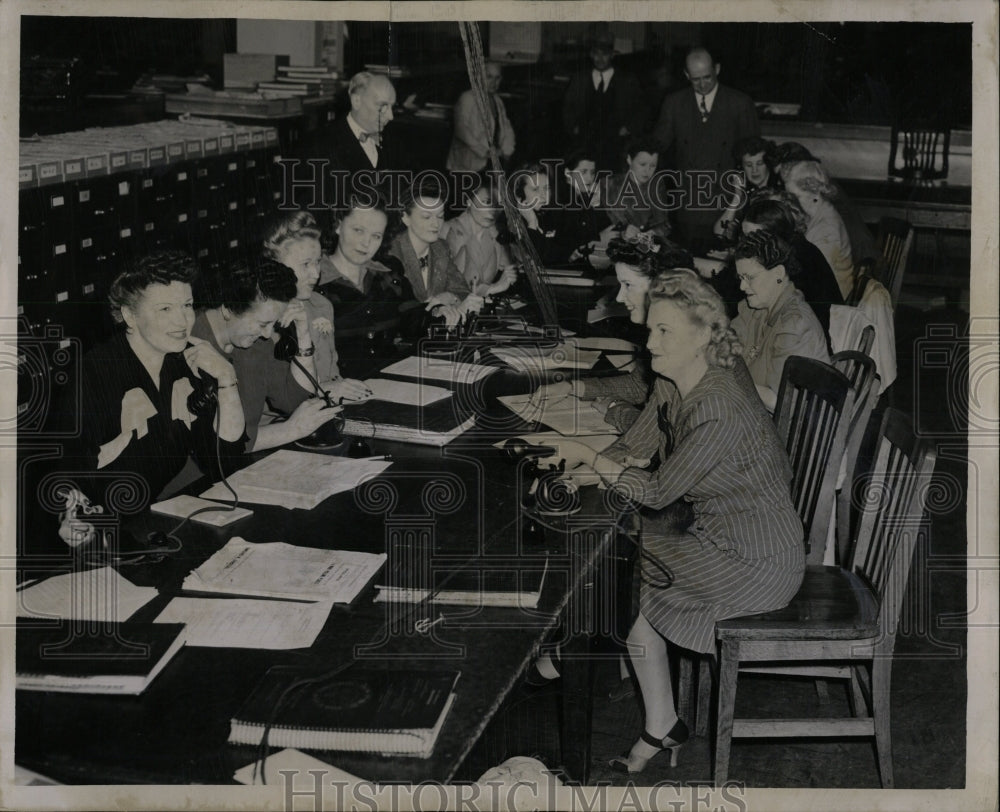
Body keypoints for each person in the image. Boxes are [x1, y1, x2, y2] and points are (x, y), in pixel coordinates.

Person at [540, 269, 805, 774]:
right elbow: (637, 446)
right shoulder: (672, 379)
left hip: (758, 561)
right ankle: (659, 720)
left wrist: (586, 455)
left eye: (664, 332)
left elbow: (660, 491)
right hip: (716, 536)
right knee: (622, 562)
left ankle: (567, 658)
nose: (649, 340)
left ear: (705, 336)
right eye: (651, 328)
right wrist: (582, 468)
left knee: (625, 567)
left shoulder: (719, 405)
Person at [47, 251, 247, 548]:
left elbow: (222, 462)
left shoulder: (183, 364)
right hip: (89, 538)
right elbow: (62, 473)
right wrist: (69, 516)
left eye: (188, 306)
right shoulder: (94, 374)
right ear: (130, 315)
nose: (183, 320)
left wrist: (227, 379)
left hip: (144, 527)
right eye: (165, 309)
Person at [532, 237, 696, 433]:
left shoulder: (681, 345)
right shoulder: (667, 331)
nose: (619, 297)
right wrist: (572, 387)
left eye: (628, 285)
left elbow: (661, 434)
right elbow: (639, 386)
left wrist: (614, 409)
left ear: (661, 287)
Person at [192, 258, 342, 452]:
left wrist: (303, 334)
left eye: (273, 324)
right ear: (228, 309)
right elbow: (218, 444)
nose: (267, 334)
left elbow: (294, 401)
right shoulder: (190, 343)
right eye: (263, 324)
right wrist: (291, 430)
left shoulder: (255, 342)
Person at [261, 210, 371, 402]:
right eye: (305, 264)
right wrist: (323, 389)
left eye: (318, 261)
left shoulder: (321, 305)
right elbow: (274, 396)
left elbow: (332, 374)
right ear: (275, 264)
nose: (315, 274)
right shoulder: (262, 317)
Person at [653, 47, 760, 244]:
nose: (702, 84)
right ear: (686, 75)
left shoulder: (740, 103)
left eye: (707, 77)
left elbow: (752, 155)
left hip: (726, 203)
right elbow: (657, 148)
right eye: (695, 79)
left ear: (717, 69)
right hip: (688, 204)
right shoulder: (674, 103)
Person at [316, 195, 421, 379]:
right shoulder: (315, 283)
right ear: (338, 225)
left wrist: (440, 311)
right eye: (358, 230)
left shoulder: (389, 277)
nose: (366, 243)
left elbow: (415, 326)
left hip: (392, 387)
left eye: (376, 236)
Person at [731, 230, 830, 411]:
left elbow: (781, 403)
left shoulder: (795, 325)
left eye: (750, 278)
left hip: (782, 431)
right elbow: (726, 346)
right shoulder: (754, 309)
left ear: (778, 273)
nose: (742, 286)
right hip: (752, 412)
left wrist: (728, 382)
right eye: (740, 278)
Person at [292, 71, 404, 206]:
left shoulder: (394, 140)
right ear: (357, 101)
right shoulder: (318, 145)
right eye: (382, 107)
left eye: (392, 107)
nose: (391, 116)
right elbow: (302, 209)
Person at [740, 192, 844, 337]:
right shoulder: (792, 245)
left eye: (754, 236)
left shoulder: (797, 256)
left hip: (812, 337)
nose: (747, 242)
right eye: (745, 236)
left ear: (774, 234)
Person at [386, 184, 483, 325]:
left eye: (440, 216)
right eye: (426, 217)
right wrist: (435, 309)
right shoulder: (391, 252)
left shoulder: (440, 247)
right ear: (405, 217)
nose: (436, 224)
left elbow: (462, 289)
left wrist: (449, 296)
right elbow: (398, 311)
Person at [561, 26, 645, 173]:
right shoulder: (580, 79)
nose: (600, 59)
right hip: (585, 144)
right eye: (596, 54)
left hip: (616, 146)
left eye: (605, 54)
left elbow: (641, 109)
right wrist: (573, 127)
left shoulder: (627, 81)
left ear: (612, 54)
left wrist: (629, 128)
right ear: (591, 55)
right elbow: (568, 107)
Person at [779, 159, 856, 299]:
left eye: (795, 197)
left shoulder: (827, 227)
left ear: (815, 194)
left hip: (832, 303)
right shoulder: (816, 214)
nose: (790, 203)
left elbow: (816, 279)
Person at [440, 181, 517, 297]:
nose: (493, 211)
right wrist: (492, 288)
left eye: (499, 205)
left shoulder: (496, 233)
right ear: (469, 202)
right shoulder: (446, 230)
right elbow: (448, 287)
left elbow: (512, 274)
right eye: (487, 202)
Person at [549, 145, 614, 264]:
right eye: (583, 172)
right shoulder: (561, 200)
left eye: (592, 172)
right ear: (568, 173)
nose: (590, 178)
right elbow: (569, 241)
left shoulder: (585, 198)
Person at [446, 61, 516, 172]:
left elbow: (506, 127)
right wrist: (485, 151)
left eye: (497, 78)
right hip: (468, 165)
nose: (493, 82)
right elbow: (461, 130)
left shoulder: (497, 100)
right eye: (489, 77)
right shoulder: (467, 98)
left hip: (490, 163)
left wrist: (507, 150)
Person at [605, 137, 673, 241]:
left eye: (653, 166)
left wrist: (654, 233)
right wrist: (624, 231)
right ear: (629, 159)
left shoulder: (657, 185)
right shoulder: (611, 185)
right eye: (642, 164)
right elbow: (610, 223)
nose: (647, 170)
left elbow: (665, 225)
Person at [713, 136, 779, 241]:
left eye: (760, 164)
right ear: (741, 167)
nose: (754, 170)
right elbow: (719, 233)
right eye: (749, 165)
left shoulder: (779, 191)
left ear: (768, 164)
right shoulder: (743, 192)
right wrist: (737, 197)